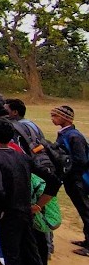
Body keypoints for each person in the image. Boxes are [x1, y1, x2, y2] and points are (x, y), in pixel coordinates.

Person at [0, 117, 60, 265]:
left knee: (10, 256)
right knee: (30, 255)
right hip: (26, 213)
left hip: (8, 217)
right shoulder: (22, 157)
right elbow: (53, 181)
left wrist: (0, 211)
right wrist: (38, 205)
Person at [51, 105, 89, 257]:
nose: (52, 119)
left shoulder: (73, 136)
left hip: (77, 179)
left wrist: (66, 167)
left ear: (65, 118)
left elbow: (81, 160)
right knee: (82, 209)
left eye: (55, 116)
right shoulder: (65, 134)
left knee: (85, 210)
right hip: (71, 178)